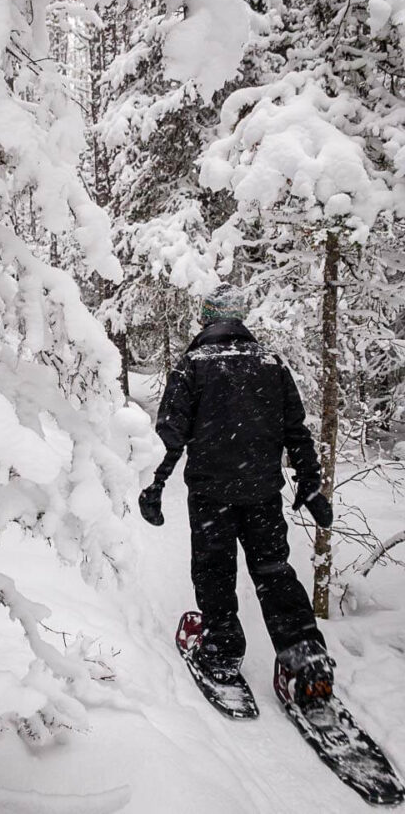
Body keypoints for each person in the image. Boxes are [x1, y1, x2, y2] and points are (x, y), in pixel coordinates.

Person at [139, 283, 335, 708]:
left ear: (208, 319)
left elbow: (170, 436)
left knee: (214, 571)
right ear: (239, 320)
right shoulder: (271, 362)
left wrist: (155, 484)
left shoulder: (193, 364)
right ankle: (307, 662)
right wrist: (310, 481)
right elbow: (296, 431)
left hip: (211, 496)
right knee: (274, 572)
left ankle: (223, 652)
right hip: (262, 494)